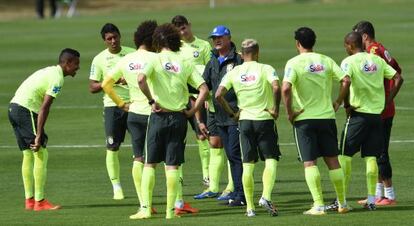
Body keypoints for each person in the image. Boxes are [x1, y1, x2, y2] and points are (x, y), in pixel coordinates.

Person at [129, 23, 209, 220]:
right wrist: (193, 111)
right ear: (175, 40)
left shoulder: (155, 60)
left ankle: (146, 209)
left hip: (158, 116)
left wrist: (150, 101)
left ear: (157, 40)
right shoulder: (184, 62)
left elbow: (140, 79)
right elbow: (204, 89)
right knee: (172, 165)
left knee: (150, 163)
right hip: (179, 118)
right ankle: (170, 211)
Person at [281, 27, 351, 215]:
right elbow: (345, 80)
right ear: (314, 42)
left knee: (310, 162)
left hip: (304, 119)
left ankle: (319, 205)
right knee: (333, 161)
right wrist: (338, 101)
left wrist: (289, 112)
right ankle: (342, 203)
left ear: (297, 43)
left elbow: (286, 88)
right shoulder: (325, 60)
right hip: (327, 117)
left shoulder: (293, 63)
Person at [8, 48, 80, 211]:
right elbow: (44, 107)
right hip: (24, 110)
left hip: (13, 108)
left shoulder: (50, 71)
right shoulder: (57, 78)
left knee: (28, 153)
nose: (78, 67)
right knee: (41, 152)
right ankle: (40, 202)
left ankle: (29, 201)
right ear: (67, 63)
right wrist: (39, 134)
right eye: (76, 64)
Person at [216, 39, 281, 217]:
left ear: (242, 54)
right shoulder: (265, 68)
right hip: (264, 119)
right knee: (271, 159)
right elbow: (276, 87)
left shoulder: (235, 71)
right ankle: (266, 196)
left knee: (248, 164)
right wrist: (275, 108)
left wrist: (232, 113)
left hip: (244, 121)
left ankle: (250, 208)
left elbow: (218, 94)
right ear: (257, 52)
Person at [338, 31, 403, 210]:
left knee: (344, 156)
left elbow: (345, 82)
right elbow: (398, 77)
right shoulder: (377, 60)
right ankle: (372, 200)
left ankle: (341, 200)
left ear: (350, 46)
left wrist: (345, 104)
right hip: (376, 116)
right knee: (371, 157)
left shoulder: (348, 62)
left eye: (345, 46)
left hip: (358, 115)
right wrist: (387, 101)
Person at [101, 20, 158, 215]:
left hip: (133, 113)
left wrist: (121, 104)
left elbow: (106, 84)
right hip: (153, 114)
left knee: (138, 158)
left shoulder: (126, 60)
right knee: (164, 161)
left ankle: (143, 205)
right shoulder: (156, 58)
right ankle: (174, 203)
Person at [199, 25, 245, 206]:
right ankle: (237, 192)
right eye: (214, 38)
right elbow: (203, 86)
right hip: (219, 117)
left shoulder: (239, 59)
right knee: (231, 155)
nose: (216, 40)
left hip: (235, 115)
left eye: (220, 37)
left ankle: (240, 195)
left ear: (228, 38)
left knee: (235, 155)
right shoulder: (212, 62)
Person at [89, 23, 135, 200]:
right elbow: (92, 86)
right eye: (109, 39)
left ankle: (141, 183)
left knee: (142, 145)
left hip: (134, 104)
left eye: (115, 37)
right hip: (112, 106)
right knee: (112, 146)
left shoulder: (131, 54)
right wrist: (109, 81)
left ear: (120, 36)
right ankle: (116, 186)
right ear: (104, 41)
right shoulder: (99, 59)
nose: (113, 41)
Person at [170, 15, 209, 215]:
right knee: (177, 143)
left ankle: (206, 176)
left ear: (189, 26)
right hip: (179, 100)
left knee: (203, 134)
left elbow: (209, 71)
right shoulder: (174, 48)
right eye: (178, 30)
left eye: (184, 28)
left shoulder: (202, 45)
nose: (182, 32)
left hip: (198, 97)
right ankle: (177, 200)